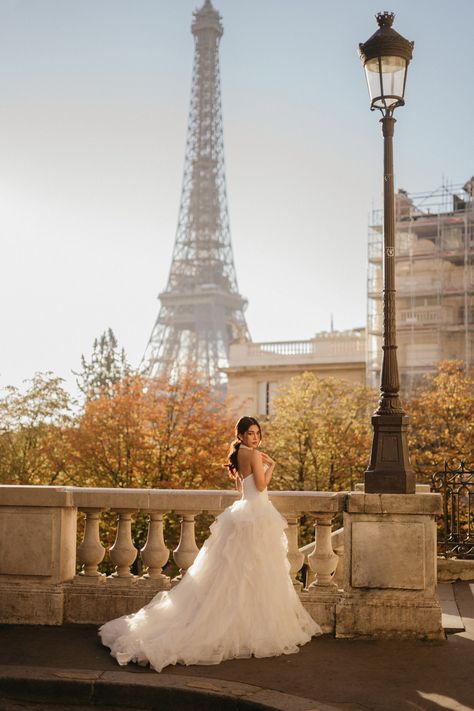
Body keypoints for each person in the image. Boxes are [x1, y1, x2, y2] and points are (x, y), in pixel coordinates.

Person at [99, 415, 321, 671]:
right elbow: (261, 486)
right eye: (250, 433)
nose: (255, 437)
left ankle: (239, 625)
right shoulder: (254, 455)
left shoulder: (240, 455)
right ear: (240, 436)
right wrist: (271, 465)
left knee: (235, 576)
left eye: (257, 433)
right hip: (256, 516)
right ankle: (248, 629)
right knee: (252, 575)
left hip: (244, 514)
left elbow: (242, 488)